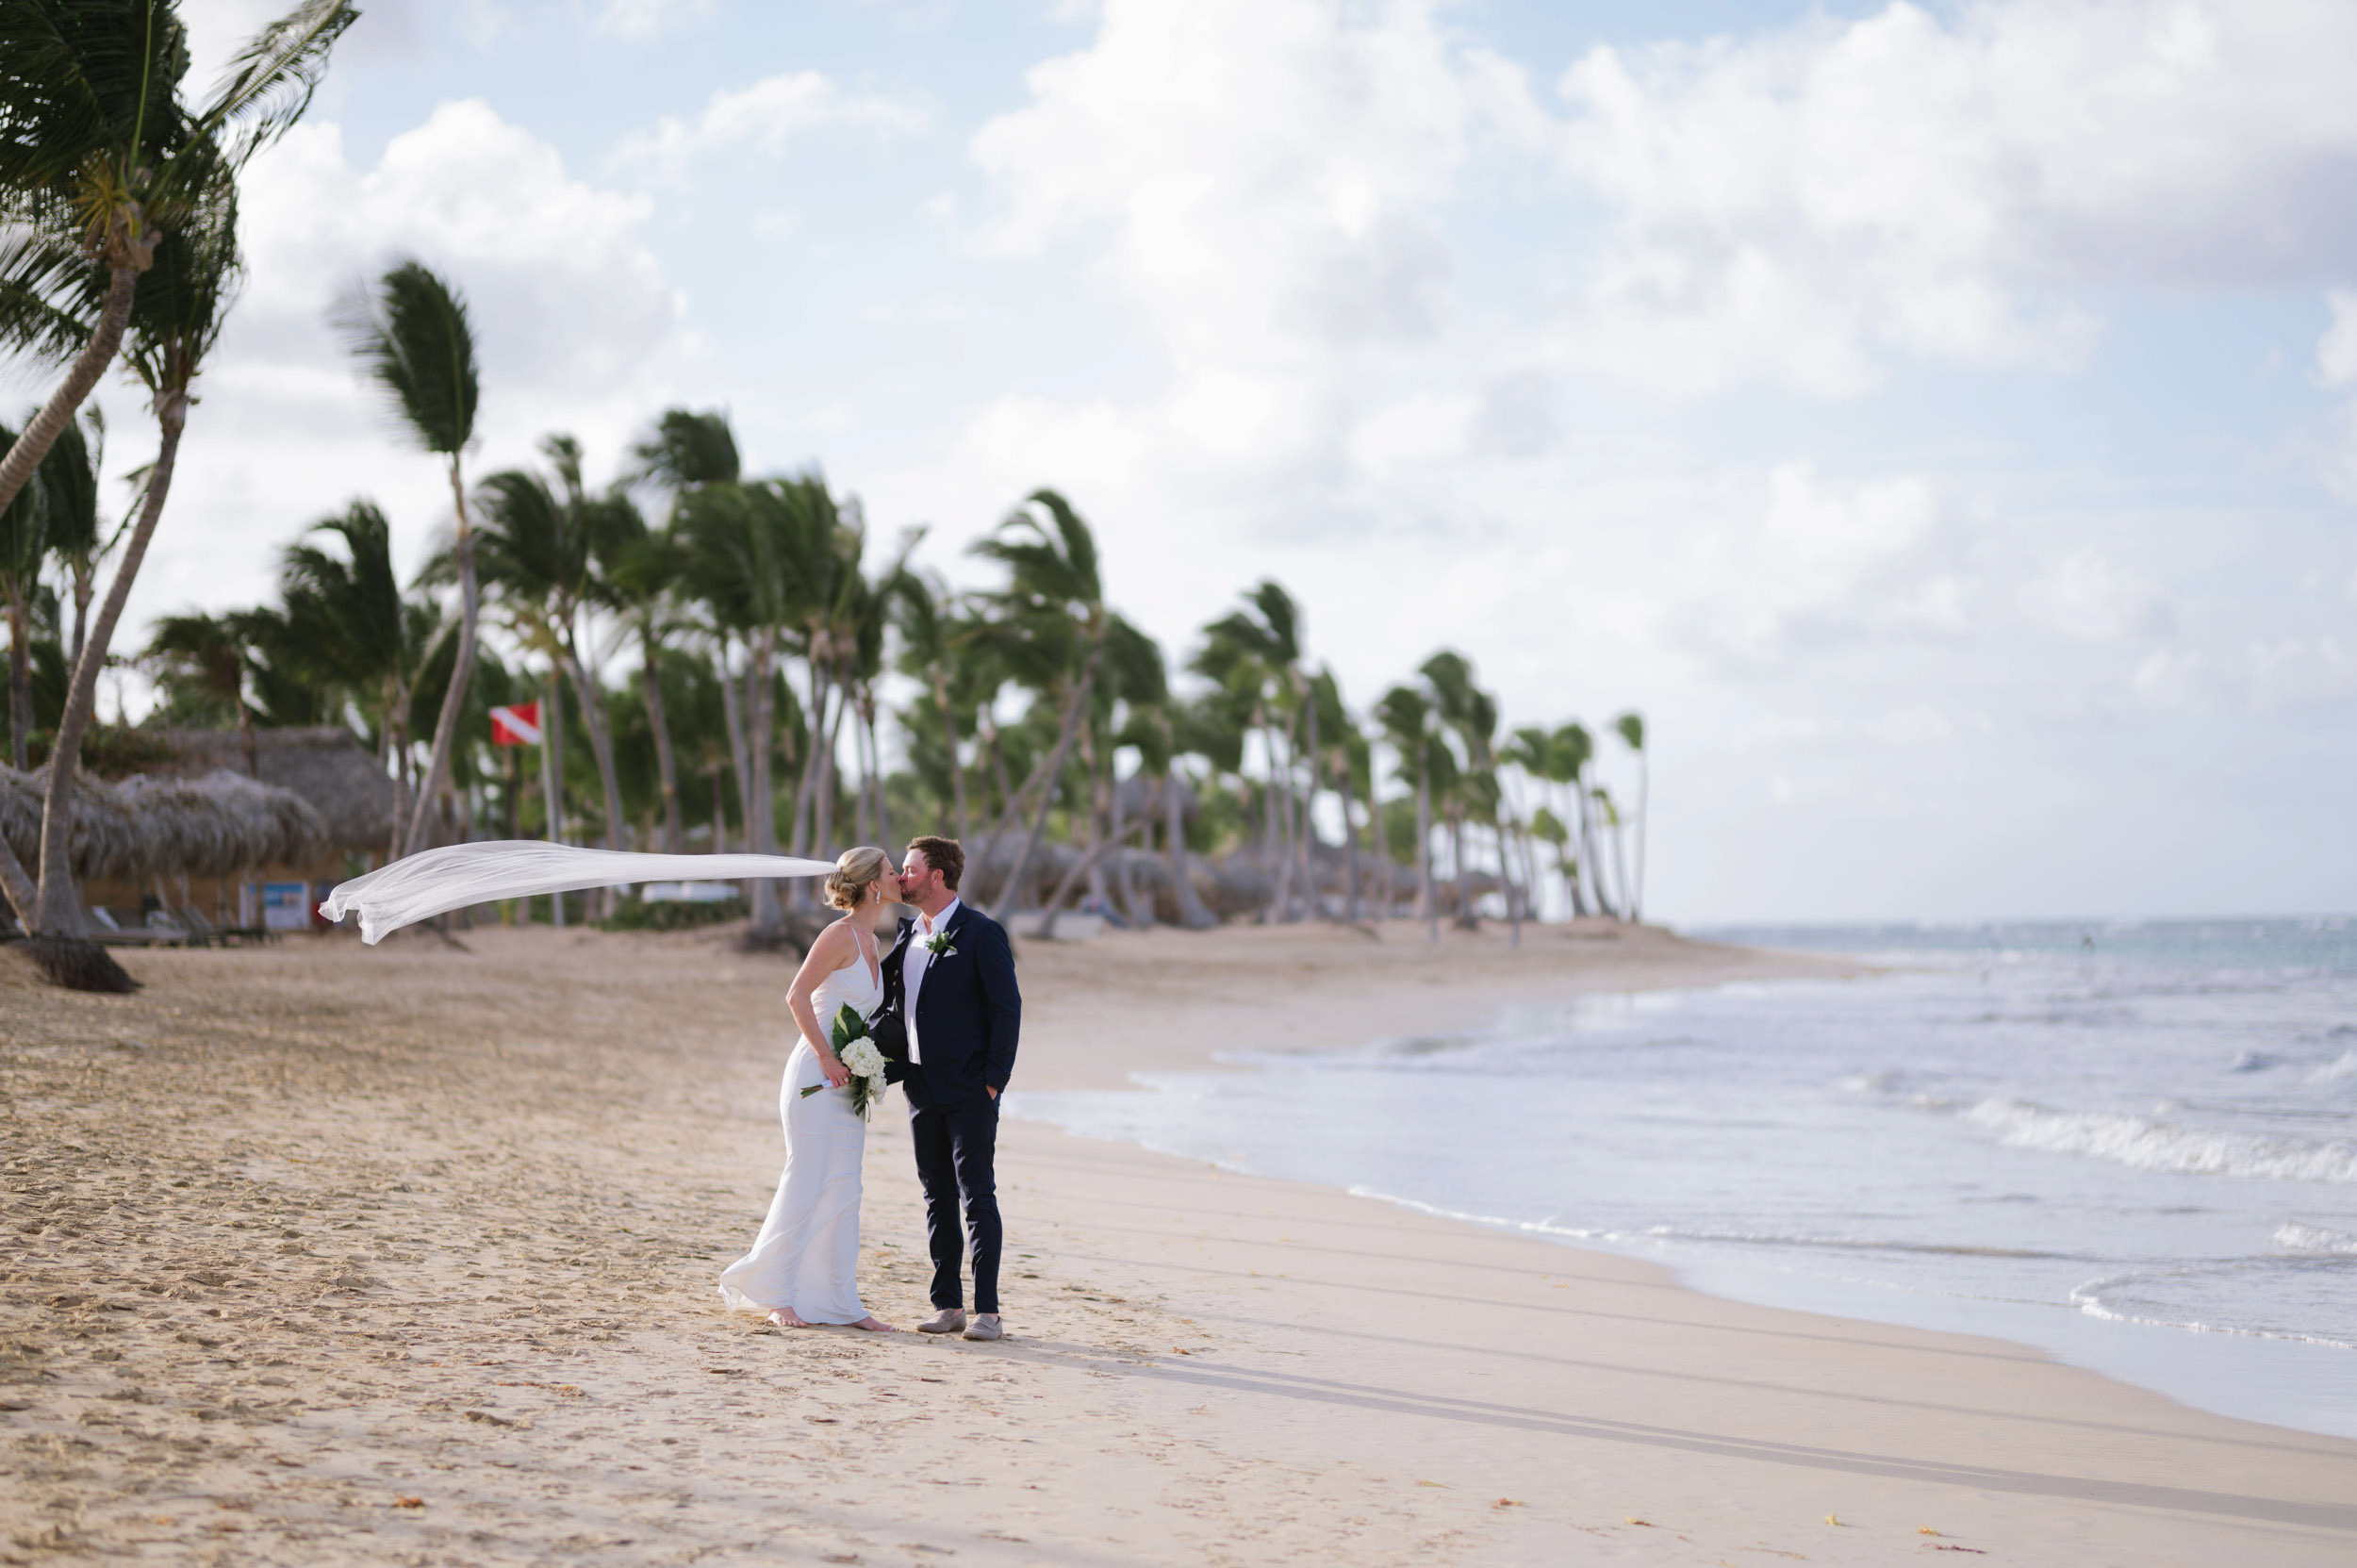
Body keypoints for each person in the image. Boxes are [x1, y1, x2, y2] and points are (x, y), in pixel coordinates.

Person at [716, 847, 900, 1331]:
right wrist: (825, 1056)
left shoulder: (871, 941)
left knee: (845, 1186)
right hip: (814, 1075)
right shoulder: (838, 935)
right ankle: (776, 1294)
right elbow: (796, 995)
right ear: (873, 885)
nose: (900, 874)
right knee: (806, 1178)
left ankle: (839, 1303)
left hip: (848, 1080)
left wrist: (863, 1064)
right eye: (889, 869)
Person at [879, 836, 1020, 1341]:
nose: (902, 877)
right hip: (919, 1086)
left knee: (977, 1196)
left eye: (910, 869)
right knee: (936, 1196)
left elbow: (1007, 1009)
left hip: (969, 1090)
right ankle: (948, 1306)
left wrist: (992, 1082)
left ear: (937, 876)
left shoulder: (982, 933)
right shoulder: (908, 935)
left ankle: (988, 1312)